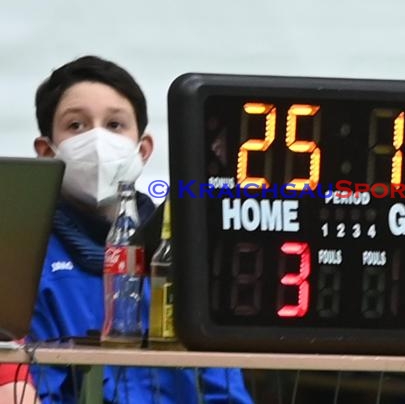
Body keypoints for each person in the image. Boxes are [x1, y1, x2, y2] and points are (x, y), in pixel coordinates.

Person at [29, 55, 254, 404]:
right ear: (46, 151)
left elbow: (224, 392)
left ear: (143, 149)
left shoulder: (186, 251)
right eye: (76, 126)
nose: (98, 140)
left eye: (115, 125)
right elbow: (33, 388)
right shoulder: (25, 262)